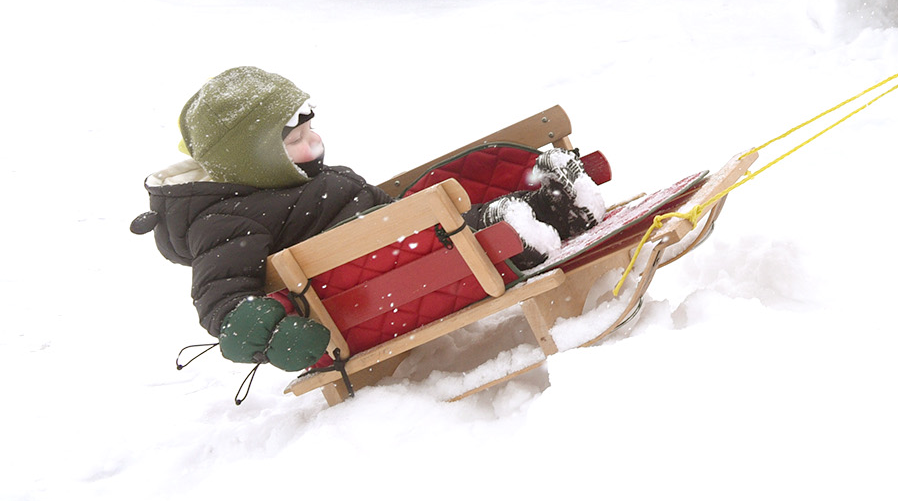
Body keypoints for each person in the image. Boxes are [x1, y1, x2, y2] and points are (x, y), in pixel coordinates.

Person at [135, 66, 603, 374]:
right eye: (295, 137)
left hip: (397, 247)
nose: (313, 142)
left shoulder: (292, 182)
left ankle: (545, 206)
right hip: (375, 286)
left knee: (446, 193)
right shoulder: (225, 220)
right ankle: (523, 224)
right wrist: (262, 331)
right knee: (446, 231)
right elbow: (220, 299)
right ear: (252, 158)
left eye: (309, 128)